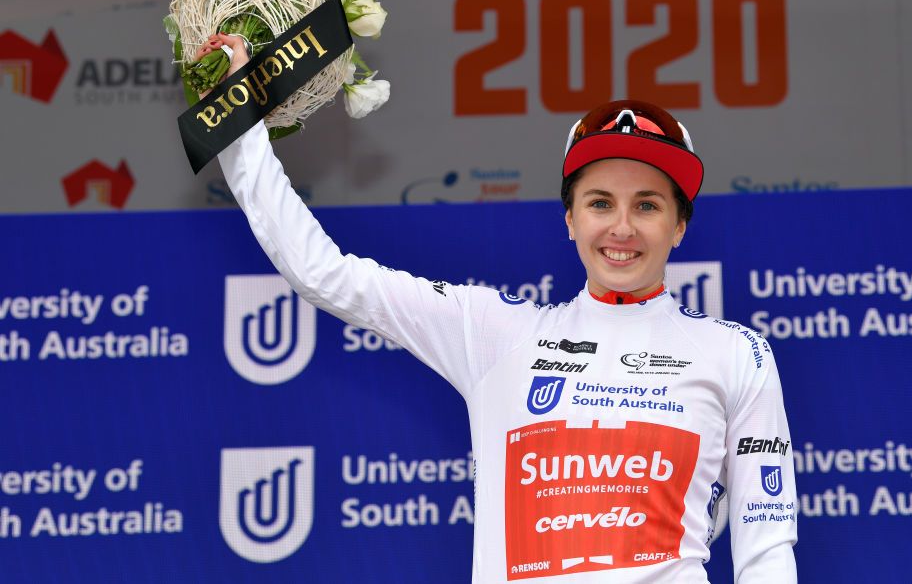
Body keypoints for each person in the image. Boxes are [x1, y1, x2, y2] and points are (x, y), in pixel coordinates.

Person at [202, 32, 798, 583]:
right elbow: (323, 273)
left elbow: (767, 551)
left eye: (646, 205)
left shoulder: (736, 353)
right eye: (599, 203)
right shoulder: (497, 333)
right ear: (569, 220)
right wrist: (235, 118)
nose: (621, 227)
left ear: (679, 226)